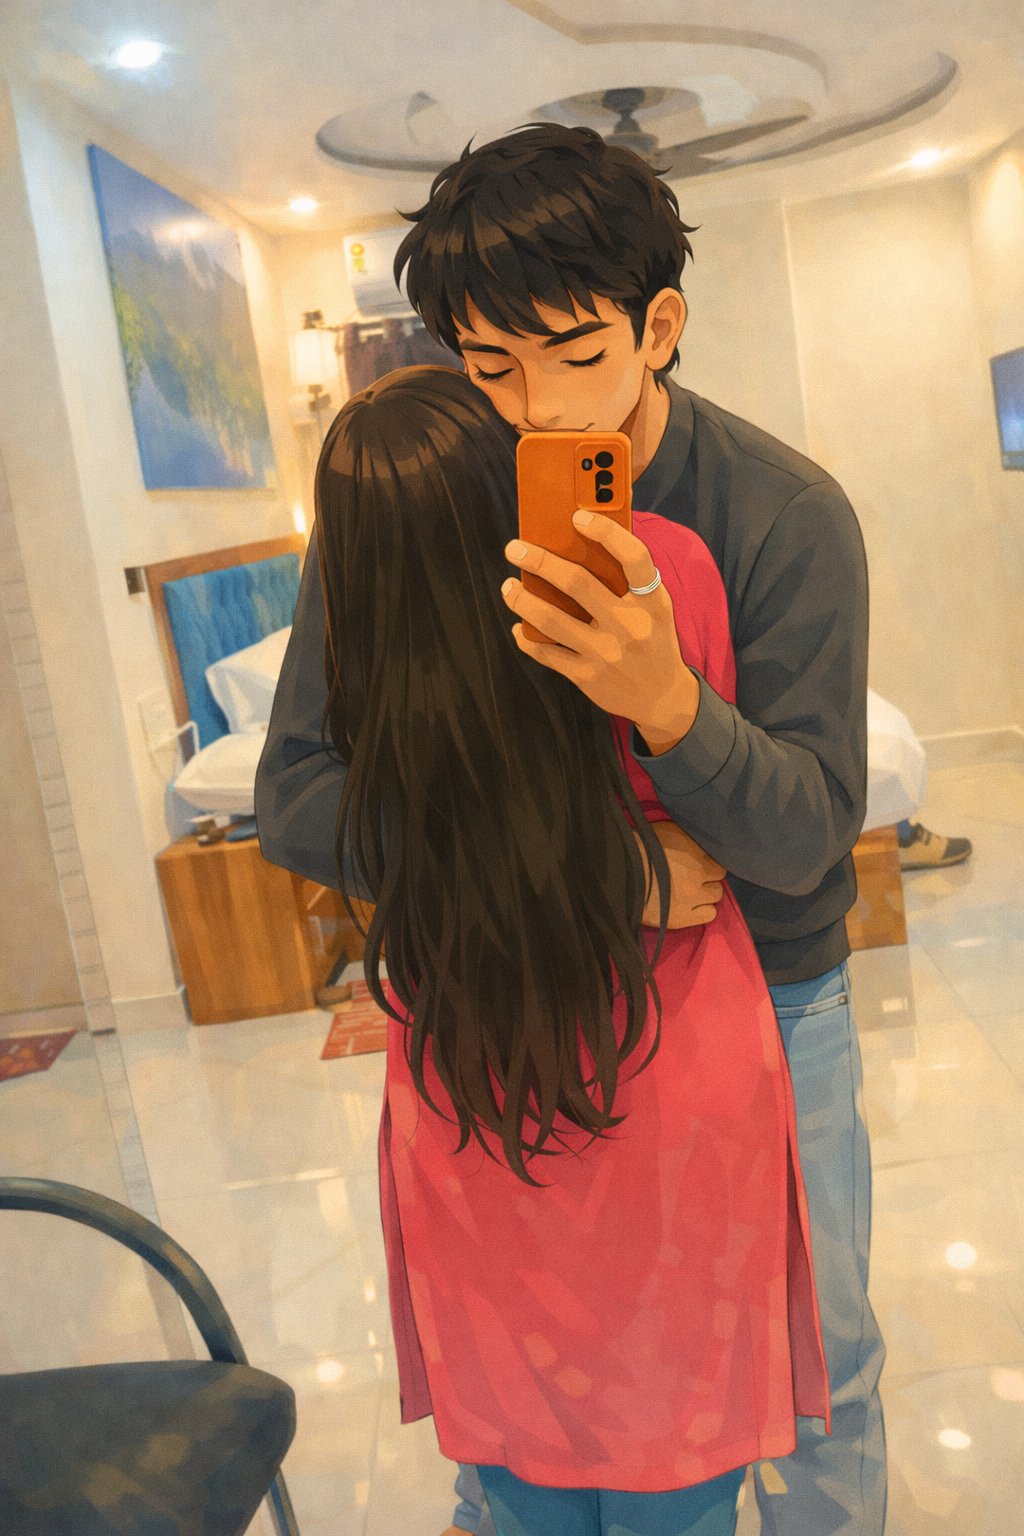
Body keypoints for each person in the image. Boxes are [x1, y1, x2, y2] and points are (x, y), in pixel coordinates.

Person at [256, 124, 884, 1536]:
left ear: (658, 328)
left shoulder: (777, 513)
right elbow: (298, 793)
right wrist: (590, 872)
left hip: (767, 997)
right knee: (528, 1371)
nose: (532, 410)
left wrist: (668, 704)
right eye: (489, 366)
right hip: (515, 997)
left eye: (573, 354)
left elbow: (804, 845)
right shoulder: (432, 498)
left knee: (818, 1368)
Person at [310, 363, 829, 1536]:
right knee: (678, 1471)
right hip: (664, 1050)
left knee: (522, 1468)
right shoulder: (658, 567)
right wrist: (614, 864)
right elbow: (751, 819)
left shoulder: (366, 640)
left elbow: (347, 816)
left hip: (473, 1064)